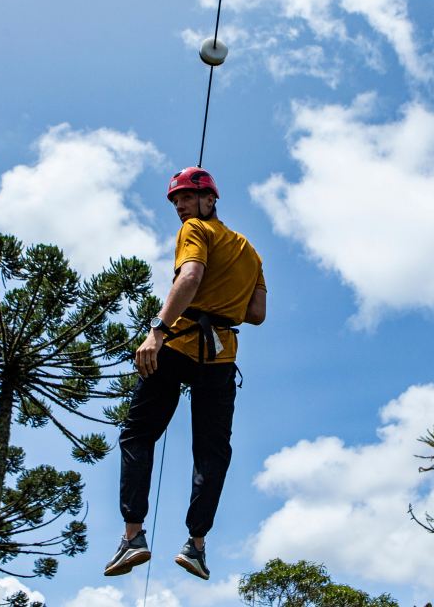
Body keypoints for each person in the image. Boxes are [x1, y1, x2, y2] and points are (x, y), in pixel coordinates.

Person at [104, 167, 267, 581]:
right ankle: (196, 547)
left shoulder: (196, 229)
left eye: (188, 199)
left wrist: (156, 332)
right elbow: (256, 314)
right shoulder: (251, 253)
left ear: (211, 200)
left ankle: (132, 536)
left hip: (176, 345)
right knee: (212, 451)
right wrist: (224, 299)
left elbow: (191, 276)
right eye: (176, 201)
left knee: (138, 435)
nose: (180, 207)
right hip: (220, 358)